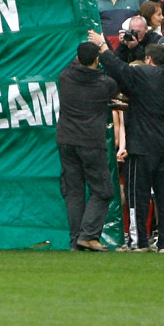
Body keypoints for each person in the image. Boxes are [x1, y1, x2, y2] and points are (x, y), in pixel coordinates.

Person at [88, 32, 164, 252]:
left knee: (138, 196)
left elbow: (120, 69)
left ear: (148, 60)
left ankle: (138, 242)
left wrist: (103, 46)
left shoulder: (145, 73)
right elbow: (145, 98)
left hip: (143, 146)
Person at [56, 41, 119, 251]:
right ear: (96, 60)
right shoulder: (104, 84)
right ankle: (88, 235)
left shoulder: (64, 78)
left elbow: (73, 67)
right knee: (102, 190)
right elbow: (117, 82)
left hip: (66, 140)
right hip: (91, 141)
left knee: (73, 191)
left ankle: (76, 240)